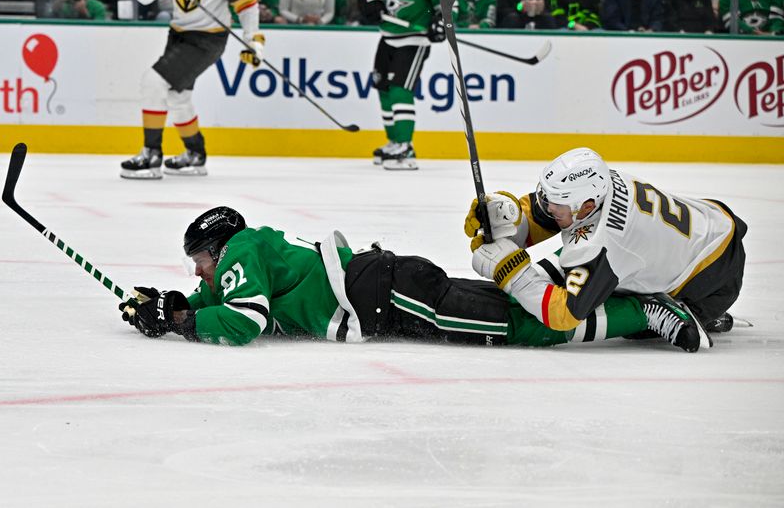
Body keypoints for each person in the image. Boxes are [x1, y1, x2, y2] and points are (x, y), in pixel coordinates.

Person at [119, 206, 702, 351]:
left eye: (200, 259)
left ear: (221, 247)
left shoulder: (242, 248)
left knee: (522, 330)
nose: (198, 271)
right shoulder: (249, 253)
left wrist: (181, 322)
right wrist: (167, 303)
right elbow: (226, 295)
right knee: (511, 309)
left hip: (388, 295)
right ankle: (640, 308)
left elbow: (246, 321)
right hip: (388, 284)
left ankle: (644, 312)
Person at [465, 147, 746, 352]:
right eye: (547, 197)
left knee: (620, 314)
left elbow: (564, 315)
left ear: (587, 205)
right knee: (570, 269)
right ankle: (699, 310)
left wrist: (513, 274)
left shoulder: (603, 241)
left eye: (556, 203)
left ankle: (663, 309)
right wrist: (512, 219)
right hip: (711, 225)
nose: (548, 208)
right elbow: (549, 215)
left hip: (710, 279)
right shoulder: (597, 185)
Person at [120, 0, 265, 179]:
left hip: (208, 38)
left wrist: (253, 40)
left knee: (153, 83)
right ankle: (195, 153)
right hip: (179, 34)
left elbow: (247, 2)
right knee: (177, 96)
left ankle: (151, 154)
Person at [359, 0, 451, 170]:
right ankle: (394, 142)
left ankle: (405, 147)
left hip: (414, 41)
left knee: (400, 90)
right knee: (383, 89)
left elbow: (449, 2)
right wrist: (373, 3)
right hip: (387, 37)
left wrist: (441, 23)